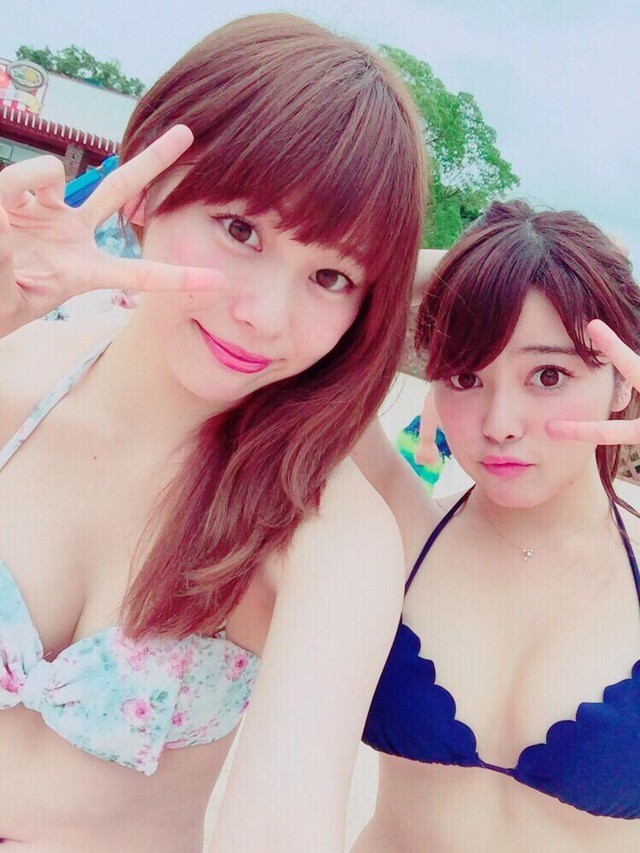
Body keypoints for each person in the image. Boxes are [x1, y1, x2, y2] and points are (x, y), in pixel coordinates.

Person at [0, 13, 427, 852]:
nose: (263, 314)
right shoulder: (21, 368)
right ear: (150, 188)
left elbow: (283, 822)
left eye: (330, 275)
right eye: (241, 230)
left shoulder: (322, 532)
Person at [353, 200, 640, 852]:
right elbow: (331, 303)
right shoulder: (401, 525)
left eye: (548, 374)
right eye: (466, 375)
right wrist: (481, 268)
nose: (499, 422)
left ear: (623, 381)